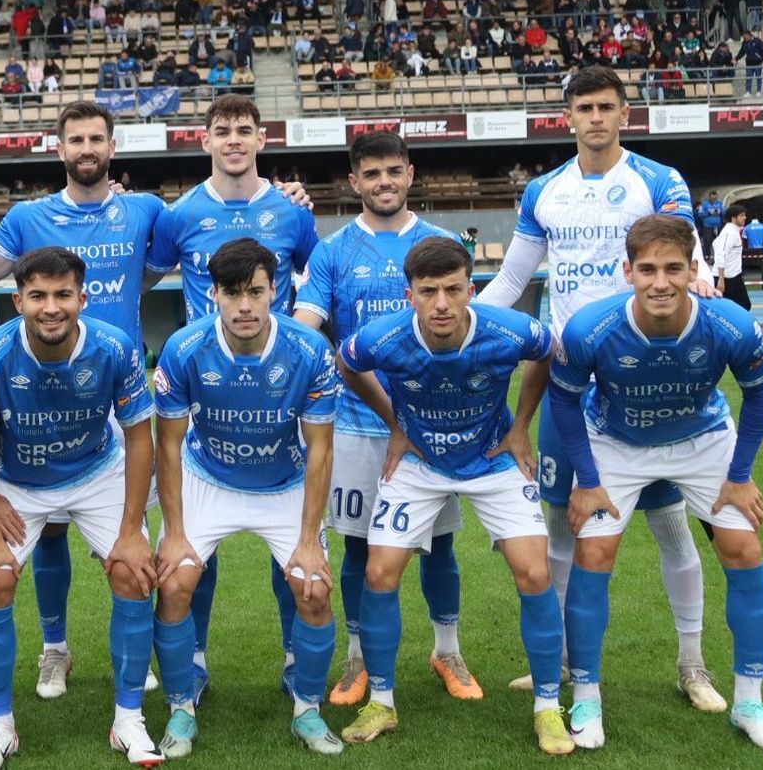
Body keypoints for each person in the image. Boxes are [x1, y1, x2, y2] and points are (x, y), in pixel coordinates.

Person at [475, 64, 723, 706]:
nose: (595, 118)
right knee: (562, 524)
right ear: (567, 116)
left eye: (606, 107)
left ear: (624, 113)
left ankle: (692, 663)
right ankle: (557, 660)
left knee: (668, 524)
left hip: (643, 376)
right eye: (583, 107)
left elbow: (681, 270)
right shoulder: (544, 192)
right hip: (567, 381)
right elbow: (511, 284)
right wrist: (461, 321)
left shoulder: (660, 181)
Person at [552, 215, 763, 753]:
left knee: (743, 547)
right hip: (616, 440)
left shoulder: (729, 324)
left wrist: (740, 475)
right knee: (594, 556)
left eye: (674, 269)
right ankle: (587, 696)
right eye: (649, 269)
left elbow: (761, 396)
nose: (661, 282)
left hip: (701, 437)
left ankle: (750, 702)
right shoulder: (591, 328)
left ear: (693, 270)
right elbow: (564, 400)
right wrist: (587, 481)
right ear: (627, 271)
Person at [0, 103, 168, 698]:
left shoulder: (145, 210)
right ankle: (56, 649)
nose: (86, 147)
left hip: (113, 385)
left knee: (135, 539)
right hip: (34, 388)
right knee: (47, 531)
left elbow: (201, 249)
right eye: (75, 138)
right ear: (59, 149)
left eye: (95, 138)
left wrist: (289, 196)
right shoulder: (28, 217)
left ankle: (137, 654)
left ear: (111, 146)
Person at [335, 237, 572, 755]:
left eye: (452, 289)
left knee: (535, 572)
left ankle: (549, 708)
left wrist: (522, 425)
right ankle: (381, 701)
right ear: (409, 295)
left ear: (471, 289)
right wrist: (394, 424)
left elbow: (548, 353)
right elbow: (346, 364)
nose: (441, 303)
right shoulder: (384, 338)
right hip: (420, 462)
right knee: (379, 571)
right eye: (428, 291)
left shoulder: (508, 330)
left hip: (491, 458)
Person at [0, 247, 158, 769]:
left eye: (63, 294)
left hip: (95, 472)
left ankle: (128, 720)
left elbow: (139, 438)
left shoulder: (114, 348)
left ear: (82, 298)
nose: (51, 307)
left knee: (133, 573)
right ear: (17, 299)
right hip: (21, 483)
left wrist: (132, 529)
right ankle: (0, 727)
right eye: (38, 295)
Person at [292, 133, 476, 707]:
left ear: (411, 173)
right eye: (371, 174)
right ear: (354, 182)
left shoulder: (441, 242)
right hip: (354, 423)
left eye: (393, 171)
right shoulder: (333, 250)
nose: (384, 183)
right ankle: (358, 659)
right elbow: (307, 322)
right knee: (356, 548)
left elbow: (468, 325)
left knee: (439, 546)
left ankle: (446, 648)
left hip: (431, 426)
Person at [145, 94, 320, 697]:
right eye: (222, 131)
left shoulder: (292, 211)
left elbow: (315, 281)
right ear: (206, 141)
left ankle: (300, 661)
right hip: (205, 394)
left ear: (261, 139)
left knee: (292, 549)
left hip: (282, 390)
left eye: (245, 130)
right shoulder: (180, 213)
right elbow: (147, 275)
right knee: (195, 547)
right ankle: (189, 660)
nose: (234, 140)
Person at [150, 238, 344, 758]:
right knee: (174, 584)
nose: (244, 306)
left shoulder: (309, 351)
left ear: (274, 291)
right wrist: (173, 533)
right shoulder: (185, 348)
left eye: (255, 292)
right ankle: (180, 708)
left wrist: (309, 540)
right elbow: (167, 446)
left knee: (314, 589)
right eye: (232, 293)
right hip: (207, 478)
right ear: (212, 293)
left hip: (283, 483)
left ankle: (307, 707)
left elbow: (321, 450)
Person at [698, 190, 725, 261]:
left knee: (719, 242)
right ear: (709, 197)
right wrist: (709, 213)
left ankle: (718, 258)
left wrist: (720, 212)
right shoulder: (704, 204)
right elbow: (700, 214)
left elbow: (725, 212)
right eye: (712, 197)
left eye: (715, 197)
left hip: (718, 226)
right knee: (707, 242)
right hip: (707, 226)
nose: (714, 199)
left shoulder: (720, 203)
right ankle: (706, 258)